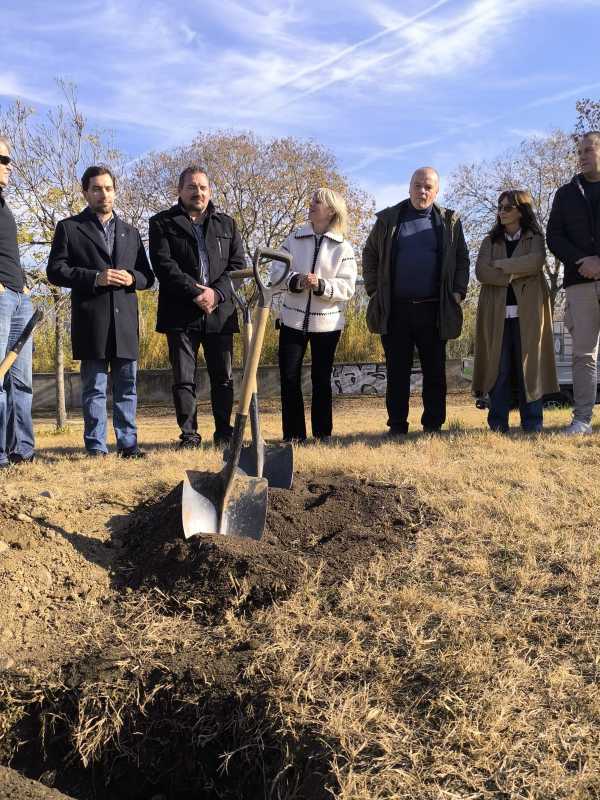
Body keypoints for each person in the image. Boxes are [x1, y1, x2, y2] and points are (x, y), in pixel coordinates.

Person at [47, 165, 154, 457]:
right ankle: (96, 447)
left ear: (115, 191)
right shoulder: (69, 227)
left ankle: (128, 444)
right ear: (85, 192)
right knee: (94, 387)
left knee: (127, 387)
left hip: (125, 323)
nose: (103, 194)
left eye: (108, 188)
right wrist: (95, 278)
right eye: (96, 189)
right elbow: (55, 271)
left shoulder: (131, 233)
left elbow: (148, 277)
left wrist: (132, 278)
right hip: (91, 322)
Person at [362, 167, 469, 437]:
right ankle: (397, 425)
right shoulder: (389, 220)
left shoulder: (450, 222)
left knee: (435, 371)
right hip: (395, 309)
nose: (422, 191)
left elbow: (462, 260)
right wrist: (375, 290)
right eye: (418, 185)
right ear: (409, 187)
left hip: (434, 309)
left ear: (436, 191)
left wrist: (457, 293)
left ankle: (432, 425)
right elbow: (370, 254)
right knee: (397, 371)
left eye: (428, 186)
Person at [149, 166, 245, 448]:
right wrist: (195, 292)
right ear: (179, 191)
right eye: (192, 187)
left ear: (210, 191)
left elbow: (238, 267)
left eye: (203, 187)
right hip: (180, 312)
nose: (198, 192)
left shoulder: (228, 224)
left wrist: (216, 294)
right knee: (183, 378)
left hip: (220, 313)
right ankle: (189, 435)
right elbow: (164, 265)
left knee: (223, 378)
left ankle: (224, 433)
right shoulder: (161, 223)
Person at [473, 190, 558, 432]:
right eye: (499, 207)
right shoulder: (490, 240)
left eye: (507, 207)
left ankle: (532, 424)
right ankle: (498, 425)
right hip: (496, 315)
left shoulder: (535, 237)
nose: (501, 211)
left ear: (521, 210)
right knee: (498, 371)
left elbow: (536, 262)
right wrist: (516, 272)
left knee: (528, 370)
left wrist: (501, 267)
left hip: (528, 314)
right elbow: (481, 272)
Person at [276, 188, 357, 442]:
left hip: (328, 325)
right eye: (311, 200)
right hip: (291, 321)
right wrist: (297, 280)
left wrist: (322, 285)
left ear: (331, 210)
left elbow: (347, 287)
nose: (310, 204)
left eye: (317, 201)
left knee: (321, 379)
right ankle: (293, 436)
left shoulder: (344, 247)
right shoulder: (293, 239)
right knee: (289, 378)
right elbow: (276, 273)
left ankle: (323, 435)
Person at [547, 131, 600, 434]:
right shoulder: (565, 194)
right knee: (583, 355)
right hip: (579, 284)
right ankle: (582, 420)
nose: (581, 156)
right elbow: (554, 236)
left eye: (588, 150)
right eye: (579, 151)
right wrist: (585, 261)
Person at [0, 135, 35, 467]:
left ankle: (22, 450)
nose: (7, 166)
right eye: (2, 160)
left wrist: (23, 288)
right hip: (0, 299)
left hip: (18, 298)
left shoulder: (3, 204)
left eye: (8, 159)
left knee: (20, 380)